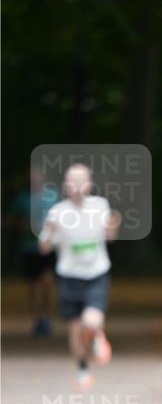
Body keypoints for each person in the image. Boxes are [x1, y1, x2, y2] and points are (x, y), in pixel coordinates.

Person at [39, 163, 120, 389]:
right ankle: (83, 370)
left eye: (81, 180)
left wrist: (114, 225)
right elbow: (44, 248)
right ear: (65, 185)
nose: (76, 185)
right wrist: (51, 231)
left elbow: (110, 237)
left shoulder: (100, 205)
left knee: (91, 320)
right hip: (69, 277)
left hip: (96, 274)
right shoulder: (57, 212)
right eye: (71, 181)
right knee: (75, 331)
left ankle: (96, 337)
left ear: (90, 184)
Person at [6, 167, 59, 336]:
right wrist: (23, 225)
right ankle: (38, 319)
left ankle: (47, 317)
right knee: (35, 285)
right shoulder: (22, 198)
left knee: (48, 282)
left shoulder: (53, 196)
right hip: (29, 248)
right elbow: (11, 221)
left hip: (50, 247)